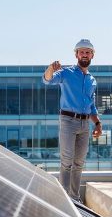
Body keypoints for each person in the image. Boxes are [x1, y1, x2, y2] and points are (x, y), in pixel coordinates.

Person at [43, 39, 102, 201]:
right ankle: (64, 199)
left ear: (92, 55)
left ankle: (75, 199)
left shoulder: (92, 80)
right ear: (76, 54)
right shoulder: (66, 73)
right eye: (81, 52)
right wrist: (50, 68)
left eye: (87, 52)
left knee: (79, 163)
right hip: (68, 121)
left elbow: (91, 106)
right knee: (67, 160)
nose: (84, 54)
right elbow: (47, 80)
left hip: (85, 124)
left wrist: (97, 123)